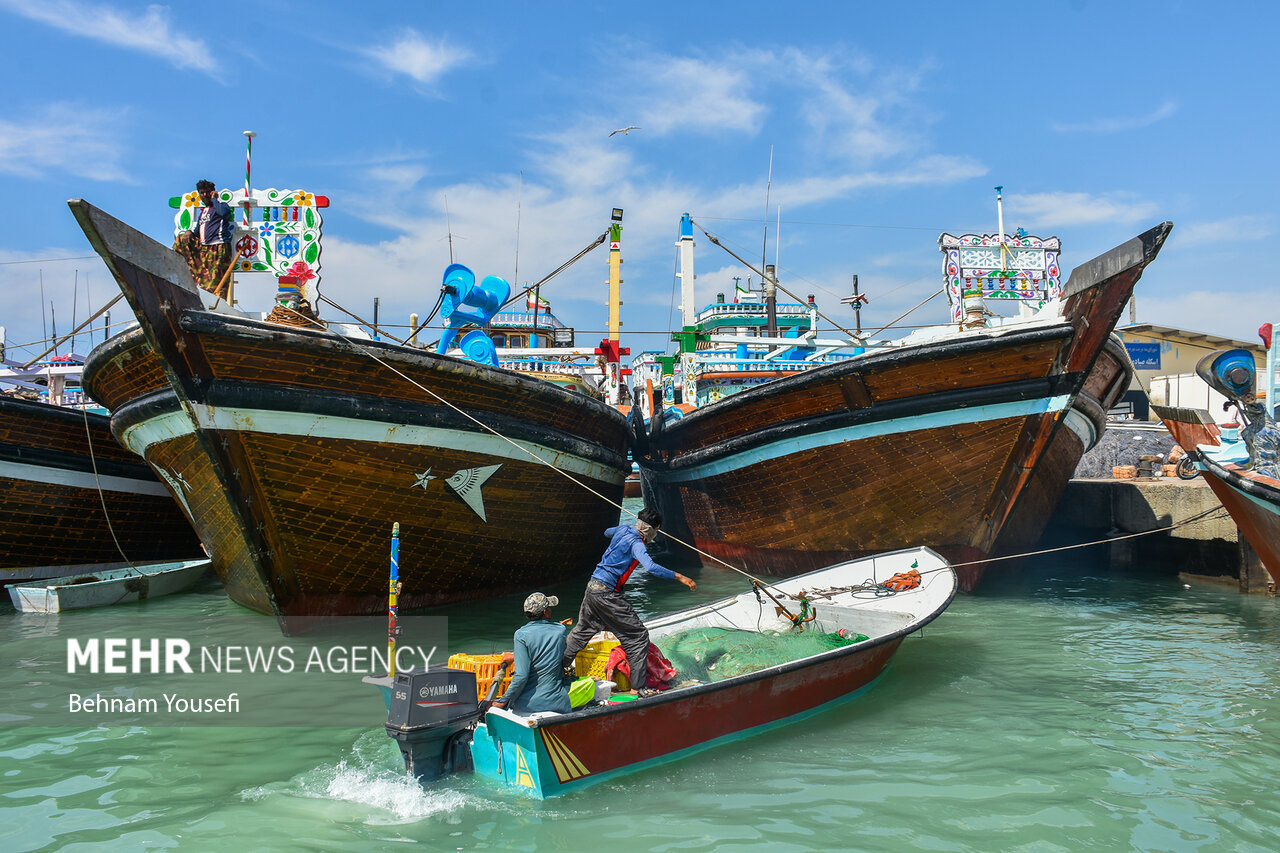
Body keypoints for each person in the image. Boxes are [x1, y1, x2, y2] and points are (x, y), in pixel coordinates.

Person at [561, 507, 696, 697]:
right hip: (607, 594)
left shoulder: (623, 530)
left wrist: (619, 530)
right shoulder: (637, 544)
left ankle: (557, 670)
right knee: (638, 636)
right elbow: (650, 567)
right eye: (656, 530)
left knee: (582, 631)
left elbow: (607, 532)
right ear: (652, 529)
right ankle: (638, 688)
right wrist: (680, 577)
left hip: (592, 588)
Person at [492, 592, 572, 715]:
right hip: (559, 704)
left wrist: (502, 701)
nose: (550, 610)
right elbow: (549, 653)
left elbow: (521, 676)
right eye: (549, 607)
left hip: (528, 706)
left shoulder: (521, 635)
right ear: (545, 612)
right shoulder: (560, 630)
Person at [174, 179, 234, 300]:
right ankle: (182, 271)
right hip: (204, 249)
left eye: (207, 192)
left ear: (213, 192)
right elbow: (197, 231)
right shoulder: (204, 212)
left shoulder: (221, 206)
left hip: (218, 247)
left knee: (213, 285)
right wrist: (189, 232)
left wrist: (214, 199)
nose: (205, 195)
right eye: (202, 192)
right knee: (181, 240)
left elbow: (223, 213)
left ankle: (214, 305)